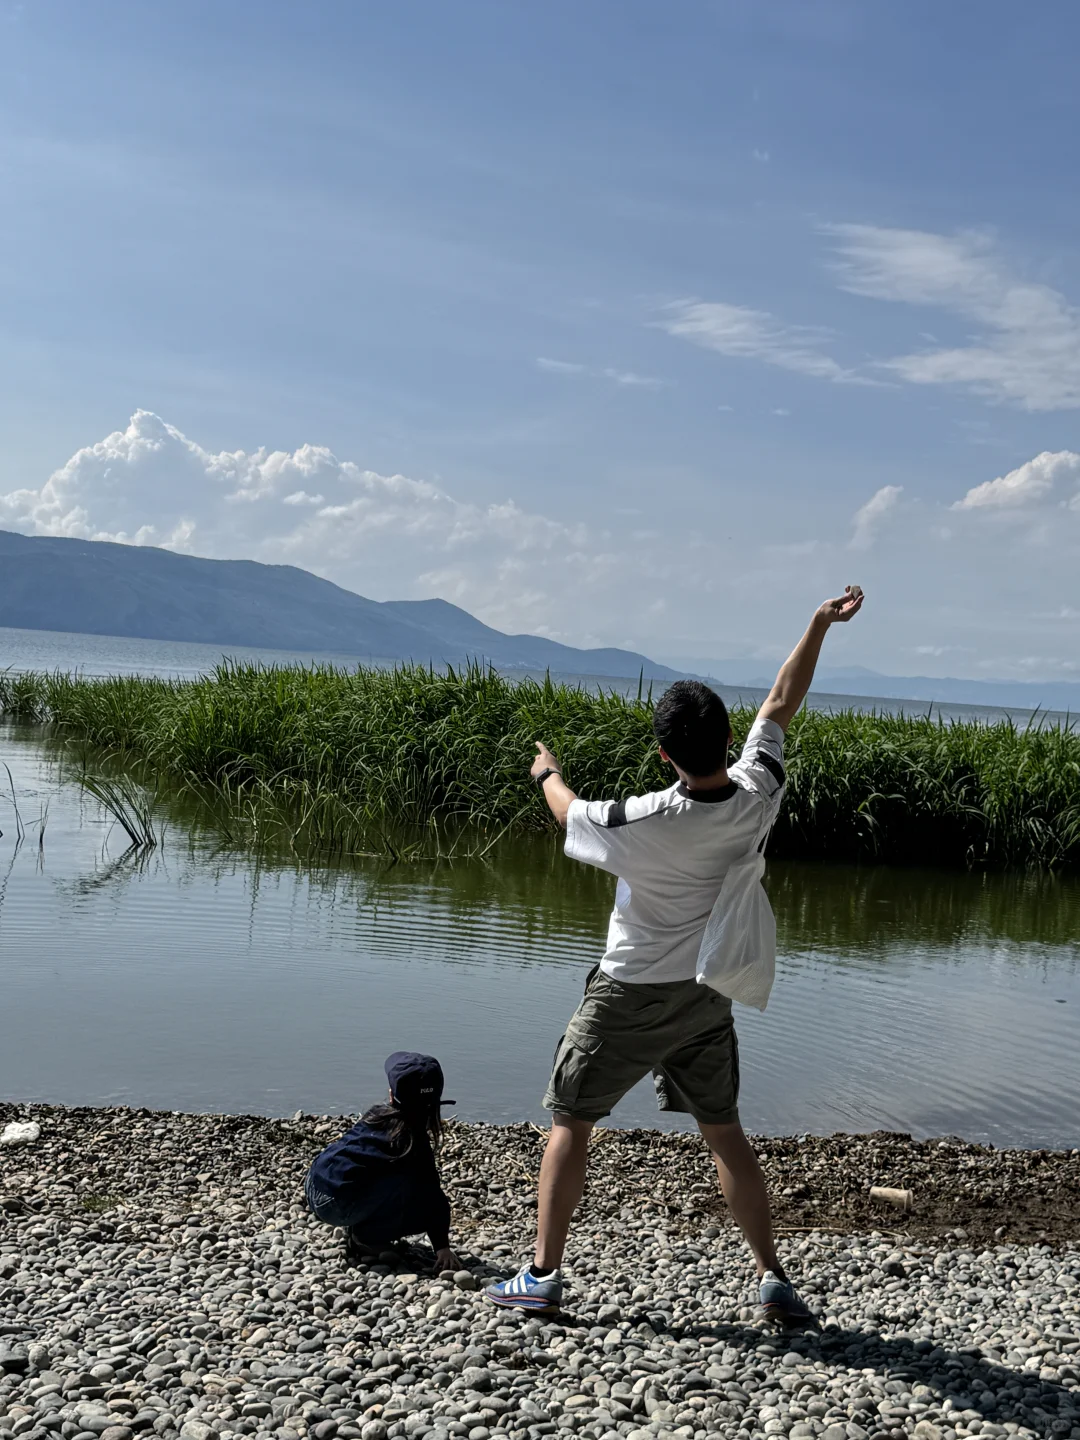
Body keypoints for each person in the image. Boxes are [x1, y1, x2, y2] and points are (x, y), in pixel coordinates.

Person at [485, 588, 864, 1320]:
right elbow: (781, 703)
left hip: (629, 991)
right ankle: (773, 1278)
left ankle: (540, 1276)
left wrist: (544, 771)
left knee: (570, 1120)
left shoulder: (642, 819)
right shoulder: (760, 791)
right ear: (727, 740)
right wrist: (818, 623)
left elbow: (568, 810)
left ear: (664, 753)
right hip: (705, 991)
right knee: (724, 1131)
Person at [305, 1051, 461, 1273]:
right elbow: (432, 1196)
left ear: (391, 1096)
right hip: (336, 1206)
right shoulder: (411, 1142)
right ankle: (365, 1238)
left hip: (315, 1182)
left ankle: (362, 1223)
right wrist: (442, 1246)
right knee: (413, 1192)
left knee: (389, 1175)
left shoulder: (376, 1115)